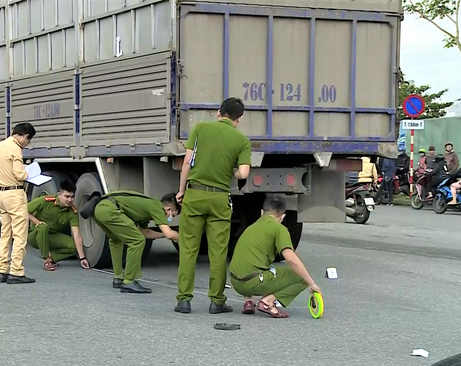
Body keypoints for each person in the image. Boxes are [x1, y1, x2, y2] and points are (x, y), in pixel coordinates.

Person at [174, 97, 252, 315]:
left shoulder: (200, 129)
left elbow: (187, 163)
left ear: (219, 113)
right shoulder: (241, 140)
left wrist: (181, 191)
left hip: (195, 195)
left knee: (189, 248)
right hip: (219, 199)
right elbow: (243, 173)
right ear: (239, 119)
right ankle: (217, 301)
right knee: (218, 252)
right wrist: (232, 171)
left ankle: (183, 300)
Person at [228, 195, 321, 318]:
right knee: (301, 276)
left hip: (236, 283)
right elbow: (292, 260)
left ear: (262, 212)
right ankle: (268, 302)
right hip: (254, 282)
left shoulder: (251, 227)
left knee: (260, 263)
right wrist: (311, 283)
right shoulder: (278, 229)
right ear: (283, 216)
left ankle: (248, 301)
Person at [93, 191, 180, 294]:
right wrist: (181, 237)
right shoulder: (158, 208)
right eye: (173, 216)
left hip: (100, 209)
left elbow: (145, 232)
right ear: (168, 209)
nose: (170, 218)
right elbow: (169, 234)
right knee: (137, 241)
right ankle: (129, 281)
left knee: (116, 240)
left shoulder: (149, 207)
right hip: (110, 210)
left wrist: (163, 235)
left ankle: (118, 278)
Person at [0, 122, 36, 284]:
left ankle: (2, 269)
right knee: (19, 234)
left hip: (2, 194)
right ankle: (16, 271)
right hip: (15, 193)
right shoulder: (15, 148)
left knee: (5, 233)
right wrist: (29, 173)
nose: (27, 144)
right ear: (25, 135)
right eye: (28, 140)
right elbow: (19, 174)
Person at [27, 179, 90, 271]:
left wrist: (82, 258)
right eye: (66, 196)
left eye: (72, 197)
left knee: (74, 247)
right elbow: (23, 210)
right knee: (43, 227)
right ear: (59, 194)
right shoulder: (46, 201)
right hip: (36, 235)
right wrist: (37, 222)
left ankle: (51, 257)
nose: (69, 200)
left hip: (51, 236)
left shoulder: (72, 212)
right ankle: (47, 260)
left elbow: (77, 235)